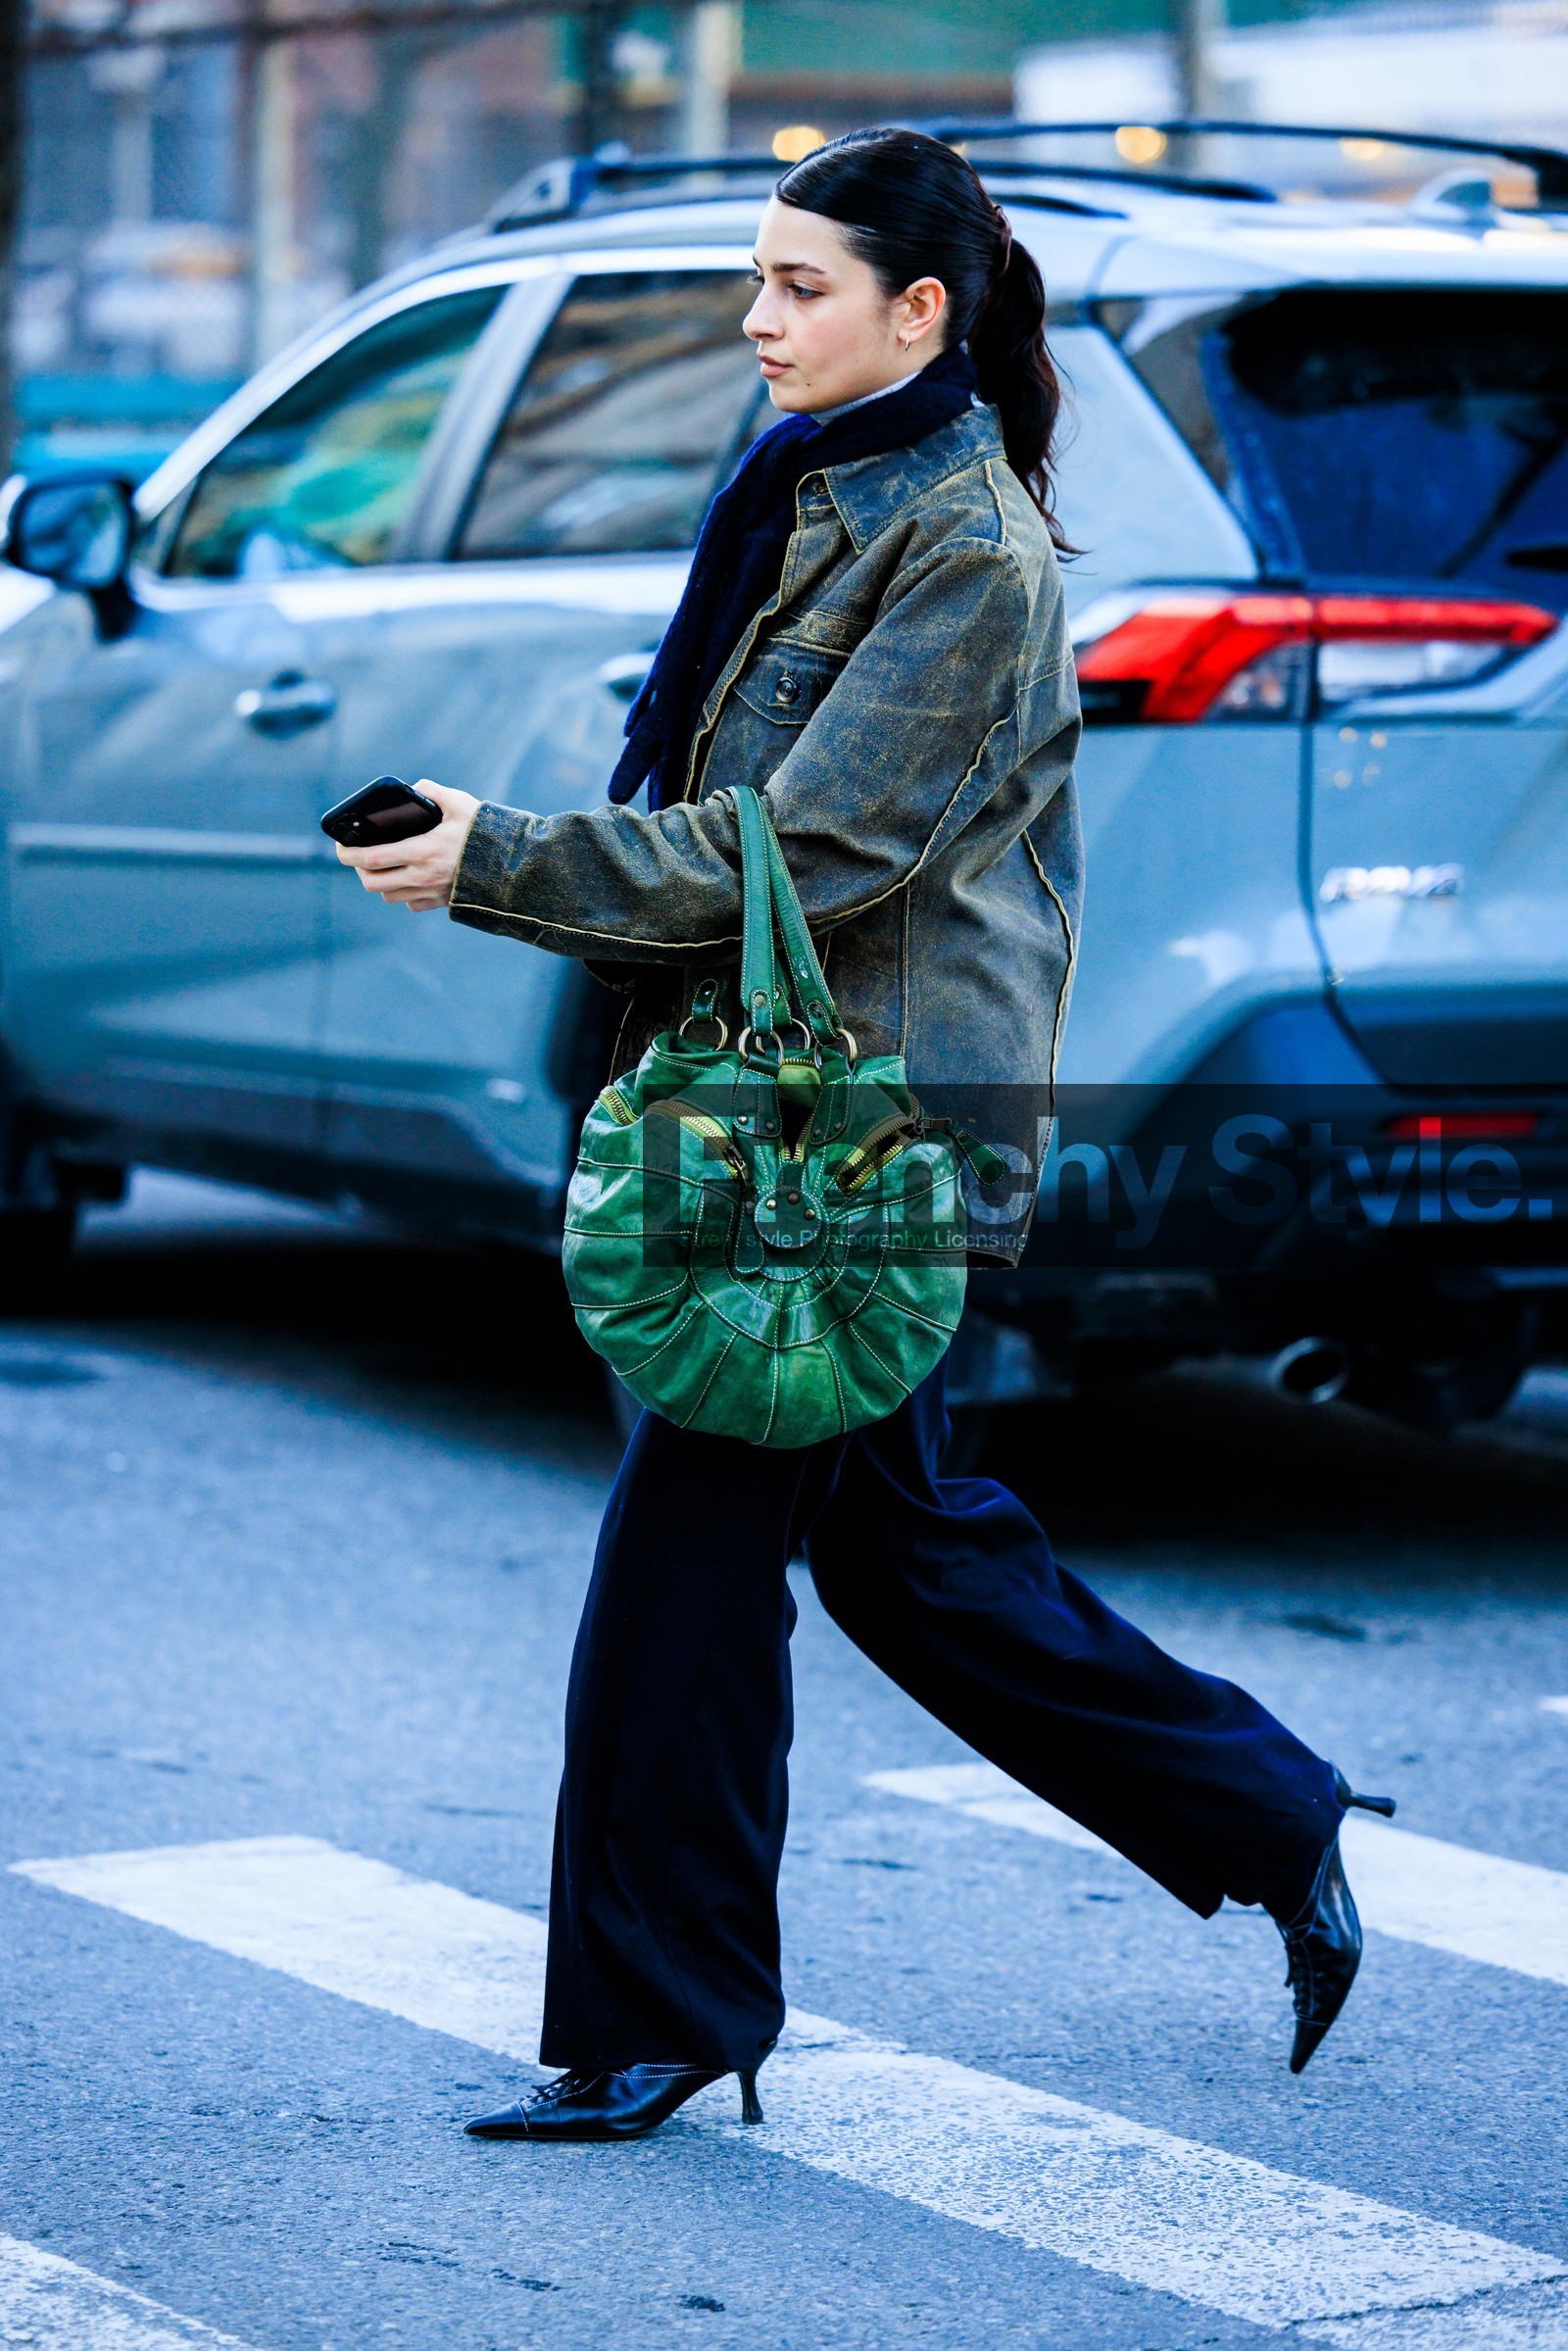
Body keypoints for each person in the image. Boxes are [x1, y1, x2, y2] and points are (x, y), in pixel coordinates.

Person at [337, 127, 1386, 2143]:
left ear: (921, 311)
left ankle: (664, 2013)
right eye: (756, 279)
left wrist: (500, 861)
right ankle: (1269, 1809)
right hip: (786, 1102)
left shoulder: (961, 550)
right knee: (904, 1551)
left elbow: (812, 851)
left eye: (796, 286)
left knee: (681, 1577)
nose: (753, 319)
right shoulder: (810, 489)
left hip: (855, 1132)